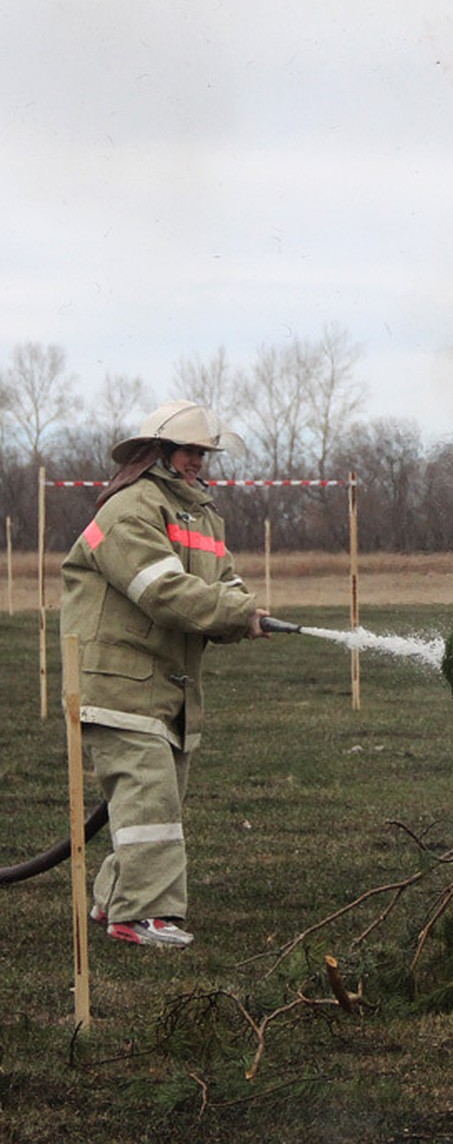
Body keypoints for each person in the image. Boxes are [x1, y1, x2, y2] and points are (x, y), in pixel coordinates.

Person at [60, 400, 269, 948]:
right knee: (149, 799)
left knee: (155, 804)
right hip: (117, 683)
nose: (198, 461)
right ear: (158, 451)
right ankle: (143, 916)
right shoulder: (129, 510)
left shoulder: (200, 516)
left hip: (167, 688)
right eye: (190, 450)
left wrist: (241, 611)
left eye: (203, 452)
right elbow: (163, 593)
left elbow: (224, 584)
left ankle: (113, 902)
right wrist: (232, 613)